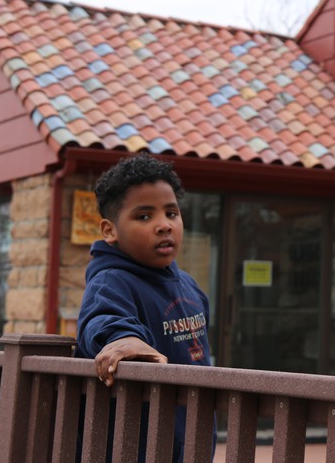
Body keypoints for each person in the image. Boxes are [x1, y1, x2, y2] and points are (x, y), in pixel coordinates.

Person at [76, 153, 212, 460]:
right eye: (144, 216)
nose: (164, 225)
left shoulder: (191, 287)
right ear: (110, 230)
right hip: (131, 446)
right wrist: (123, 340)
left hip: (187, 439)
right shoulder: (111, 281)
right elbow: (102, 318)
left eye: (172, 213)